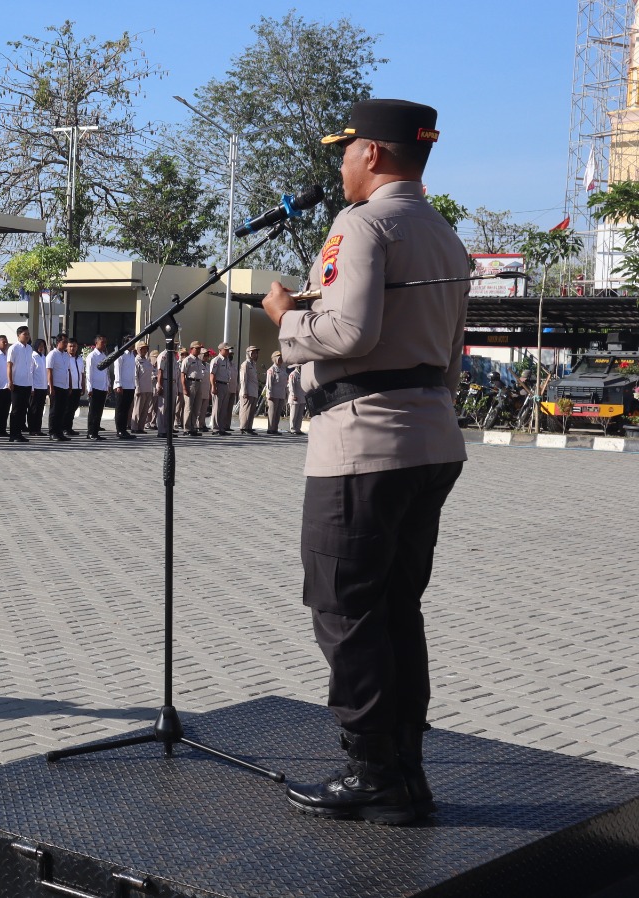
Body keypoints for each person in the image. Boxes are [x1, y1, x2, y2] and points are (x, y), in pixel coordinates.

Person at [262, 98, 468, 825]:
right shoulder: (444, 234)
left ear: (373, 154)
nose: (341, 164)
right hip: (431, 441)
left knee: (345, 608)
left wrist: (285, 314)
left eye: (345, 150)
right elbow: (449, 357)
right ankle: (404, 768)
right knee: (395, 608)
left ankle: (372, 769)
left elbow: (348, 329)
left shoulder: (363, 223)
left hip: (363, 447)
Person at [84, 335, 114, 441]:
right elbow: (89, 373)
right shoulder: (92, 356)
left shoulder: (103, 355)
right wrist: (90, 388)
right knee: (93, 411)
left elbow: (106, 372)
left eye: (105, 343)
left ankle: (96, 431)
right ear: (96, 343)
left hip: (102, 387)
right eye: (102, 343)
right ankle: (91, 432)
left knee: (99, 411)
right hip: (95, 387)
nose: (104, 345)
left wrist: (108, 385)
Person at [6, 327, 33, 443]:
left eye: (28, 334)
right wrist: (10, 381)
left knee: (23, 409)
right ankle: (13, 434)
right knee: (16, 410)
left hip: (26, 383)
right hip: (17, 383)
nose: (27, 336)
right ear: (18, 335)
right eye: (24, 334)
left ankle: (19, 433)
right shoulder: (14, 348)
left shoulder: (29, 348)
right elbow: (9, 366)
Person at [46, 336, 75, 441]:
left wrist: (70, 385)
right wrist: (51, 387)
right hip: (56, 386)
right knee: (54, 410)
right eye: (64, 342)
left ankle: (59, 432)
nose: (66, 344)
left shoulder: (66, 356)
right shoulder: (52, 354)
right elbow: (49, 371)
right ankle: (52, 432)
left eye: (67, 342)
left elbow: (68, 371)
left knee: (62, 410)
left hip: (64, 386)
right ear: (58, 342)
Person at [180, 340, 210, 437]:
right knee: (188, 407)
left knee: (196, 407)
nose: (198, 351)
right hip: (190, 382)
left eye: (199, 349)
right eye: (196, 349)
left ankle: (193, 427)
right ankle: (187, 428)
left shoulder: (198, 361)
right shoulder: (187, 360)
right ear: (191, 349)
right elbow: (182, 374)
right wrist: (184, 388)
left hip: (199, 383)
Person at [210, 343, 236, 435]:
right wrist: (213, 386)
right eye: (226, 350)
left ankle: (222, 428)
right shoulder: (216, 360)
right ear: (220, 350)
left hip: (226, 385)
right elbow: (212, 374)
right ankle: (216, 428)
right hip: (218, 384)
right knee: (217, 407)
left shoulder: (227, 361)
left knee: (224, 408)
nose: (228, 351)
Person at [238, 346, 262, 435]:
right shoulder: (246, 364)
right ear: (250, 353)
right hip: (247, 391)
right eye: (255, 353)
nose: (256, 355)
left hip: (253, 391)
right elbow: (243, 379)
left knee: (251, 411)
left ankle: (249, 427)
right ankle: (244, 428)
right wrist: (244, 391)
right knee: (245, 410)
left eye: (257, 353)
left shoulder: (253, 364)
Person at [132, 342, 156, 435]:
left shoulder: (147, 361)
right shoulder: (136, 360)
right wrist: (137, 388)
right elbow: (135, 376)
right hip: (141, 388)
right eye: (143, 349)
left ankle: (141, 427)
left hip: (148, 388)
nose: (145, 350)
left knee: (145, 409)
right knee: (138, 409)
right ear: (138, 349)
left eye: (146, 349)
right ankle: (134, 426)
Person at [27, 338, 49, 435]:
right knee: (33, 409)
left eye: (43, 346)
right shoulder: (33, 357)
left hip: (43, 387)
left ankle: (38, 428)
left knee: (40, 409)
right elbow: (30, 373)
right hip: (35, 387)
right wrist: (31, 388)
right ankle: (32, 429)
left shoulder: (44, 357)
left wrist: (47, 386)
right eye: (39, 346)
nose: (41, 348)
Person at [265, 351, 290, 435]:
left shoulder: (282, 369)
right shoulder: (271, 370)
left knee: (278, 412)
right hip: (273, 394)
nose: (280, 360)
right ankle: (270, 428)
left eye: (281, 358)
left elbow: (285, 383)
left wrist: (286, 394)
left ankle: (275, 428)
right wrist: (269, 394)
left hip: (281, 394)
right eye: (279, 358)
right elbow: (269, 384)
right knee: (272, 412)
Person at [289, 364, 307, 434]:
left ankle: (298, 429)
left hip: (302, 396)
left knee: (300, 415)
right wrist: (293, 395)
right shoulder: (293, 374)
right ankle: (293, 429)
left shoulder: (303, 374)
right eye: (300, 366)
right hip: (295, 397)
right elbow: (291, 386)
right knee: (294, 414)